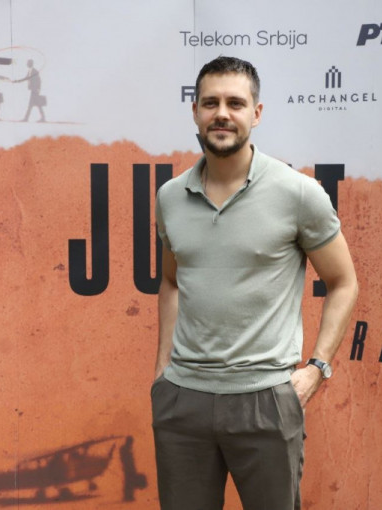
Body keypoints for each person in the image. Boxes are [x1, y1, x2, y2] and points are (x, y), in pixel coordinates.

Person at [152, 56, 359, 510]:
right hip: (182, 401)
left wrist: (316, 369)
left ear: (256, 113)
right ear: (195, 111)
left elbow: (343, 282)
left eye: (235, 103)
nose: (221, 113)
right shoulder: (170, 197)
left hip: (266, 401)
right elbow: (171, 282)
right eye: (210, 103)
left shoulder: (298, 193)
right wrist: (163, 370)